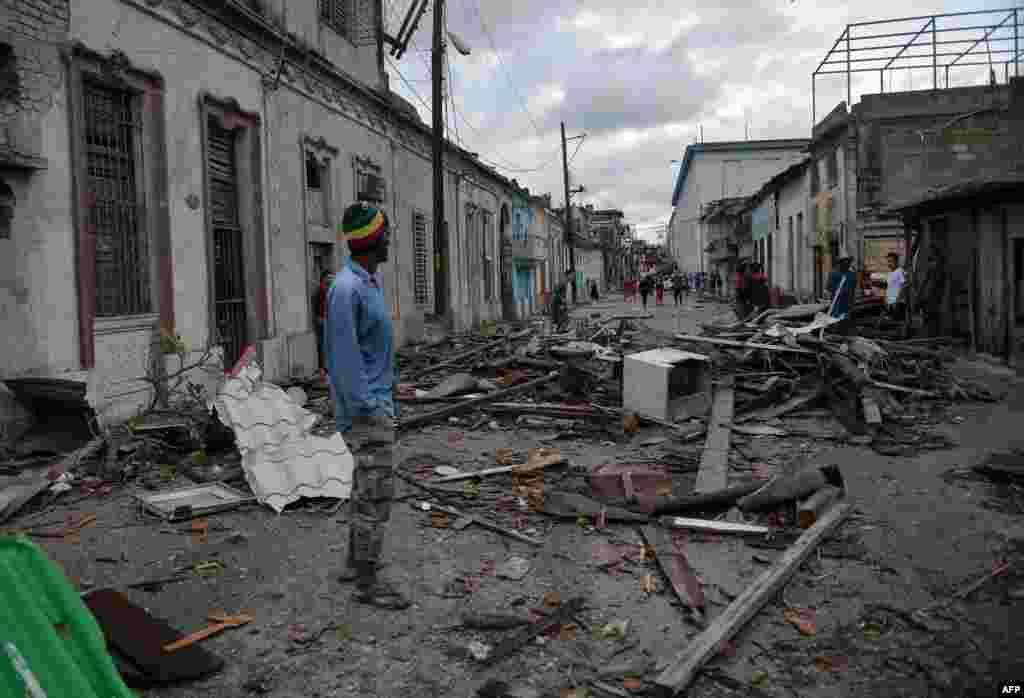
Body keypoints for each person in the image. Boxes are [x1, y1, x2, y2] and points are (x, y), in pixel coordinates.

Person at [328, 203, 409, 610]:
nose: (391, 239)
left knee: (366, 489)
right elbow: (343, 359)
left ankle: (353, 563)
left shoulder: (367, 283)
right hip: (366, 410)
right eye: (387, 232)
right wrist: (370, 407)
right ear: (372, 239)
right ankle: (366, 582)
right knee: (376, 495)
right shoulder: (347, 289)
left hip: (377, 400)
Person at [827, 255, 857, 332]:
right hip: (837, 301)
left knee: (845, 319)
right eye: (845, 261)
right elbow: (829, 287)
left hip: (847, 301)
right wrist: (837, 291)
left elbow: (853, 288)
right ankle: (835, 331)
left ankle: (844, 331)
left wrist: (851, 300)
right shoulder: (834, 273)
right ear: (840, 263)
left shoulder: (851, 274)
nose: (847, 263)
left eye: (848, 262)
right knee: (835, 319)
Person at [315, 269, 333, 375]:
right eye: (328, 279)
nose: (331, 281)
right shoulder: (320, 293)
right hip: (323, 325)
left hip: (332, 324)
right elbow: (318, 313)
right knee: (324, 347)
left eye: (332, 278)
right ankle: (324, 369)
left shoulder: (333, 292)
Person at [884, 252, 906, 321]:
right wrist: (886, 299)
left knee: (897, 323)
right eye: (888, 261)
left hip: (898, 303)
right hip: (890, 303)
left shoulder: (900, 271)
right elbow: (889, 288)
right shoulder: (889, 273)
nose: (889, 263)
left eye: (891, 261)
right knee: (889, 322)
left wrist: (898, 300)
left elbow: (904, 286)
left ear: (896, 261)